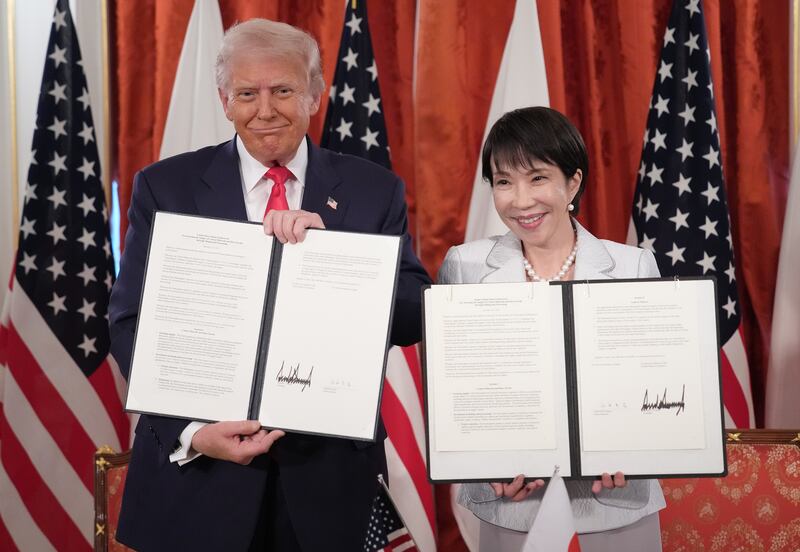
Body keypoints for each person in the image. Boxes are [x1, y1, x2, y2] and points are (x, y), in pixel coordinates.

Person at [109, 19, 431, 551]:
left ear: (313, 93)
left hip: (329, 487)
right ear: (223, 99)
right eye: (246, 93)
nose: (266, 109)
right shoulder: (165, 187)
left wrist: (335, 259)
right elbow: (130, 324)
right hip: (197, 479)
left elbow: (413, 313)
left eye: (283, 90)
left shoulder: (374, 190)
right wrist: (191, 430)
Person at [438, 107, 665, 551]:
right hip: (513, 502)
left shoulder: (632, 265)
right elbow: (455, 396)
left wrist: (635, 450)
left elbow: (651, 387)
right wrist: (490, 469)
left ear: (573, 183)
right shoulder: (463, 266)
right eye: (504, 182)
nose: (520, 200)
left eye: (538, 178)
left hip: (614, 501)